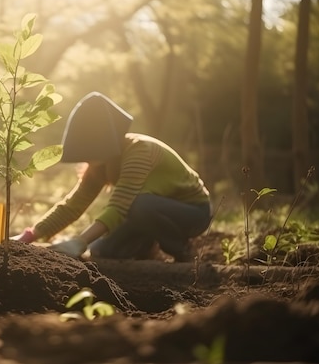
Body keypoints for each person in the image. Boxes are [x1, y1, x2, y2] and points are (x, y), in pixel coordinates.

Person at [12, 92, 211, 261]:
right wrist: (29, 235)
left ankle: (182, 250)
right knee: (100, 250)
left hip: (193, 212)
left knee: (140, 205)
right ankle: (148, 248)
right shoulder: (100, 165)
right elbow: (72, 206)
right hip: (146, 214)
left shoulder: (140, 151)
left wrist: (79, 242)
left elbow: (119, 206)